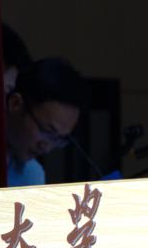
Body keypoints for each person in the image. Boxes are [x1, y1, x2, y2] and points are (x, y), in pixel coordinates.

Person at [6, 56, 87, 187]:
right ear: (16, 104)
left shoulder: (32, 175)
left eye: (59, 139)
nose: (47, 147)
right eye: (46, 131)